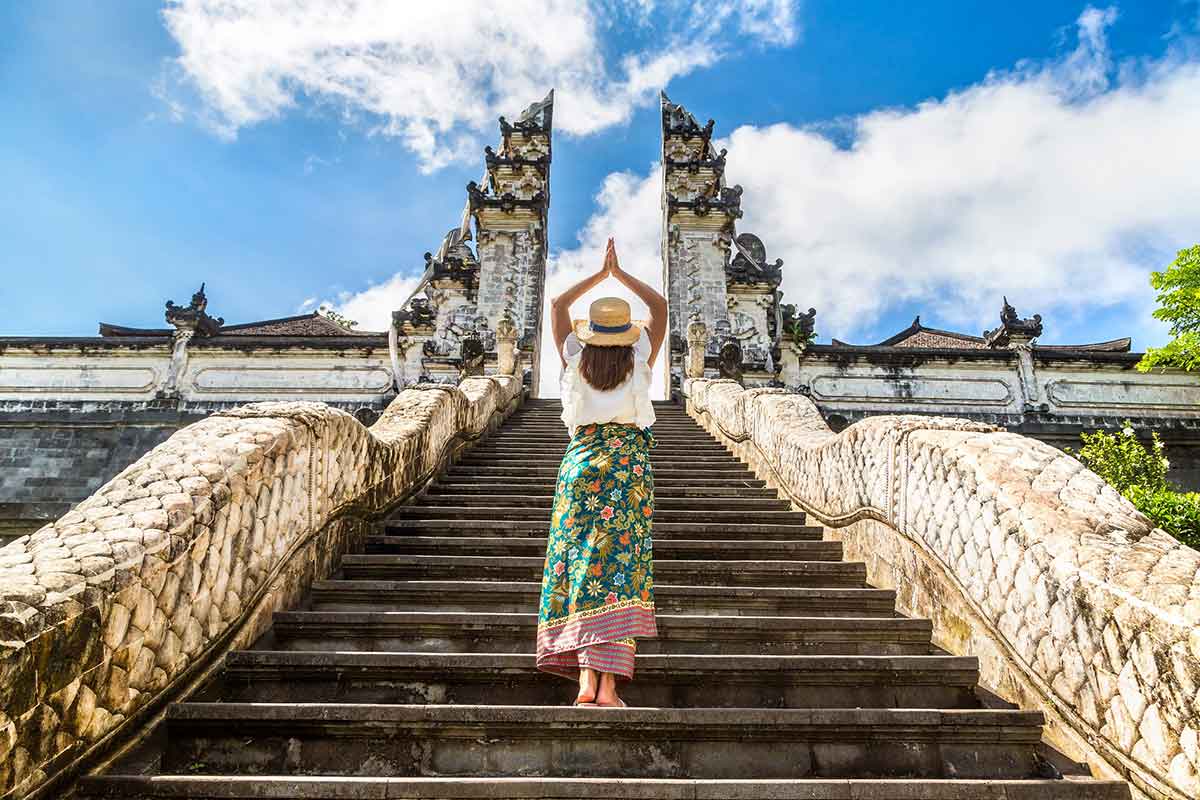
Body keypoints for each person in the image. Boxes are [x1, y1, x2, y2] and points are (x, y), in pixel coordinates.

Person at [535, 237, 668, 708]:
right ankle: (608, 687)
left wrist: (598, 274)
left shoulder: (575, 357)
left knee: (582, 568)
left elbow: (557, 304)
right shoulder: (638, 359)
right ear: (625, 333)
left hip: (580, 467)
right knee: (618, 572)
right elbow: (659, 306)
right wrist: (622, 274)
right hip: (626, 467)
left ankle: (585, 683)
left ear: (590, 331)